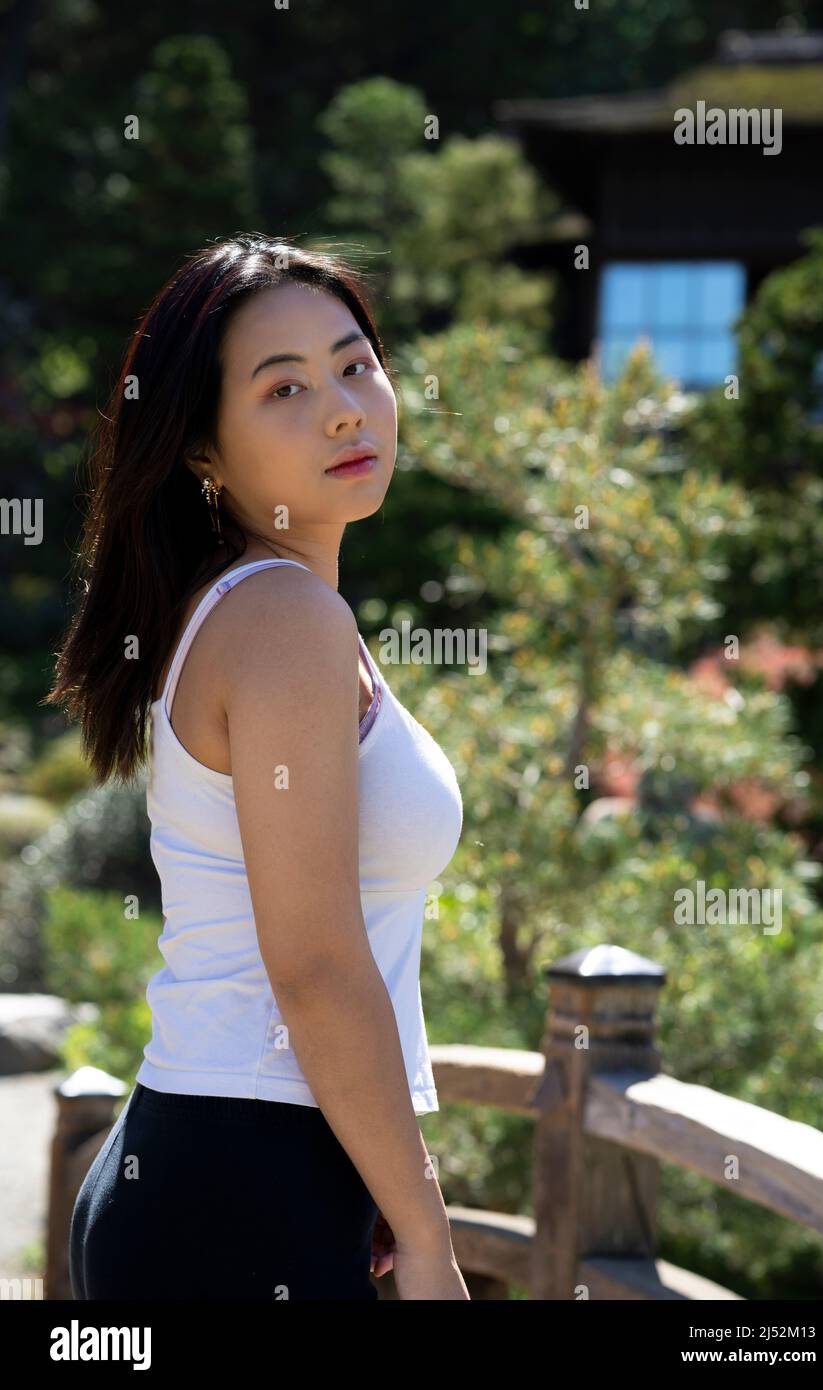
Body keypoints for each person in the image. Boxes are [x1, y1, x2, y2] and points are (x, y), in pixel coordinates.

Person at [46, 233, 470, 1301]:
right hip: (237, 1192)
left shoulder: (272, 606)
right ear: (201, 450)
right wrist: (430, 1237)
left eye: (354, 364)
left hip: (233, 1163)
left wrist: (371, 1170)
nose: (341, 406)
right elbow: (316, 967)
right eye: (283, 387)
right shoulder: (281, 617)